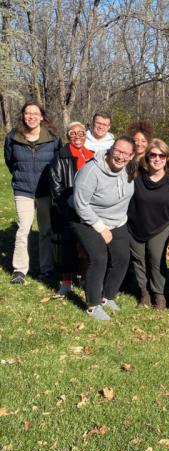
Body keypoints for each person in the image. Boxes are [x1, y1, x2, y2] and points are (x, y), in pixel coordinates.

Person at [70, 136, 136, 320]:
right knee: (99, 258)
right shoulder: (91, 171)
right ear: (110, 149)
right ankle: (93, 305)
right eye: (118, 151)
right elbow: (80, 204)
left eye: (126, 153)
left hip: (117, 220)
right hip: (86, 218)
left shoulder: (130, 167)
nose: (121, 156)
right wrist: (100, 227)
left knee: (122, 258)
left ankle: (107, 296)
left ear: (131, 156)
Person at [5, 100, 62, 284]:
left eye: (35, 114)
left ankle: (46, 269)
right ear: (23, 115)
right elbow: (10, 161)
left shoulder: (53, 138)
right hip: (23, 189)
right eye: (28, 113)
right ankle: (19, 270)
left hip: (46, 191)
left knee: (46, 230)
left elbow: (58, 162)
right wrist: (21, 176)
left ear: (41, 116)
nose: (31, 117)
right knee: (23, 229)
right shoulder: (13, 136)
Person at [128, 139, 169, 311]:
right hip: (135, 225)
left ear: (167, 157)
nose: (157, 159)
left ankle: (159, 296)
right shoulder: (136, 176)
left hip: (160, 226)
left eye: (162, 155)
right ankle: (145, 294)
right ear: (147, 156)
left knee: (156, 261)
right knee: (139, 261)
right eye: (153, 154)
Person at [49, 122, 94, 296]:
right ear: (68, 136)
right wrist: (65, 210)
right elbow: (56, 186)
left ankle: (83, 279)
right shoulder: (60, 157)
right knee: (66, 247)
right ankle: (66, 283)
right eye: (72, 133)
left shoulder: (92, 156)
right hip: (66, 208)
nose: (77, 137)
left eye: (81, 133)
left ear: (85, 135)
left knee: (85, 246)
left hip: (88, 208)